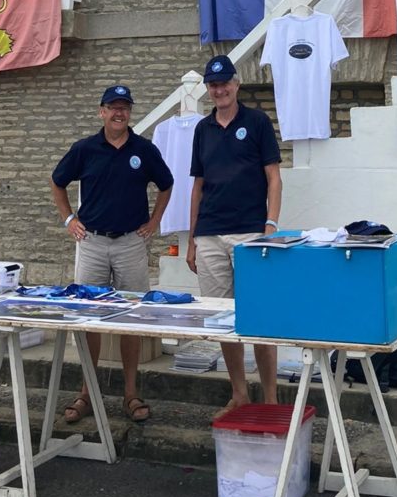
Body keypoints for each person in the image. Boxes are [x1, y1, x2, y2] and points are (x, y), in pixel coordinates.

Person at [51, 84, 173, 423]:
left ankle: (131, 393)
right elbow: (57, 181)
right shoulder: (85, 149)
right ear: (101, 111)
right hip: (92, 242)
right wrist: (68, 220)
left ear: (130, 112)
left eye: (125, 107)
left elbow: (167, 184)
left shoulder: (144, 150)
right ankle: (87, 393)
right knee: (88, 318)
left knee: (131, 318)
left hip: (131, 243)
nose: (119, 113)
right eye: (112, 107)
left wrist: (155, 221)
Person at [186, 55, 283, 418]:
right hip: (210, 234)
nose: (220, 89)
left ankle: (271, 399)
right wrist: (193, 238)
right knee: (225, 322)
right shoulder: (202, 129)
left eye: (225, 82)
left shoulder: (257, 122)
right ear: (208, 90)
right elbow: (197, 186)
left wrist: (271, 225)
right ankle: (240, 393)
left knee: (259, 318)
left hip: (251, 233)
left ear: (236, 84)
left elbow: (273, 177)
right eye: (213, 85)